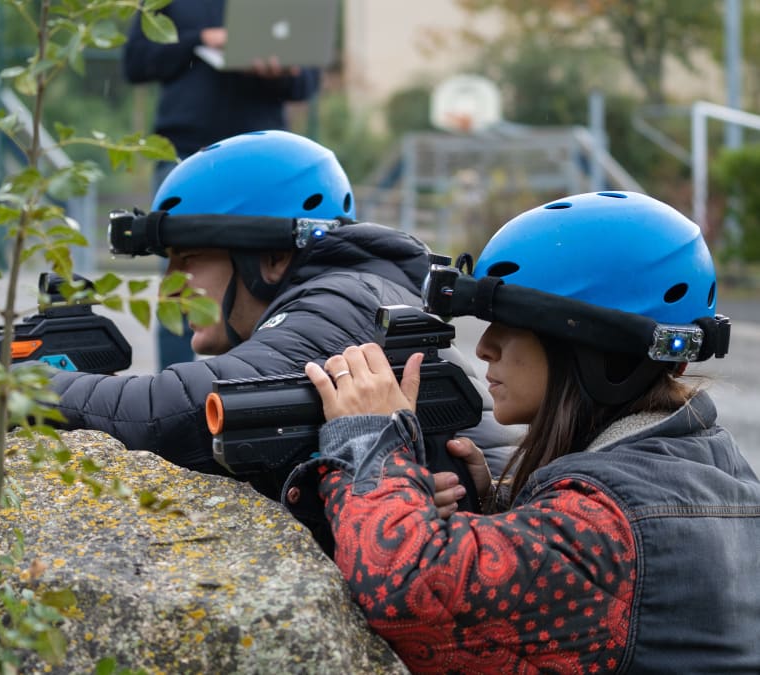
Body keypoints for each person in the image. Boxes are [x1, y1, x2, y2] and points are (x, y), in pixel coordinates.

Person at [0, 130, 517, 537]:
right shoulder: (351, 292)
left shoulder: (343, 299)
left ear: (270, 259)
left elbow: (180, 411)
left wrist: (24, 393)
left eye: (189, 260)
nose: (169, 286)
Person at [288, 190, 760, 672]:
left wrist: (367, 434)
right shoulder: (713, 466)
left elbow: (408, 589)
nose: (486, 346)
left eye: (510, 323)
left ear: (592, 345)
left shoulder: (608, 527)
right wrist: (499, 503)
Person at [123, 1, 322, 369]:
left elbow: (307, 82)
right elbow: (135, 62)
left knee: (268, 278)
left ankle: (260, 380)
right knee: (183, 280)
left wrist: (279, 70)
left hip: (262, 160)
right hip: (185, 152)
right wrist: (201, 40)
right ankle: (176, 391)